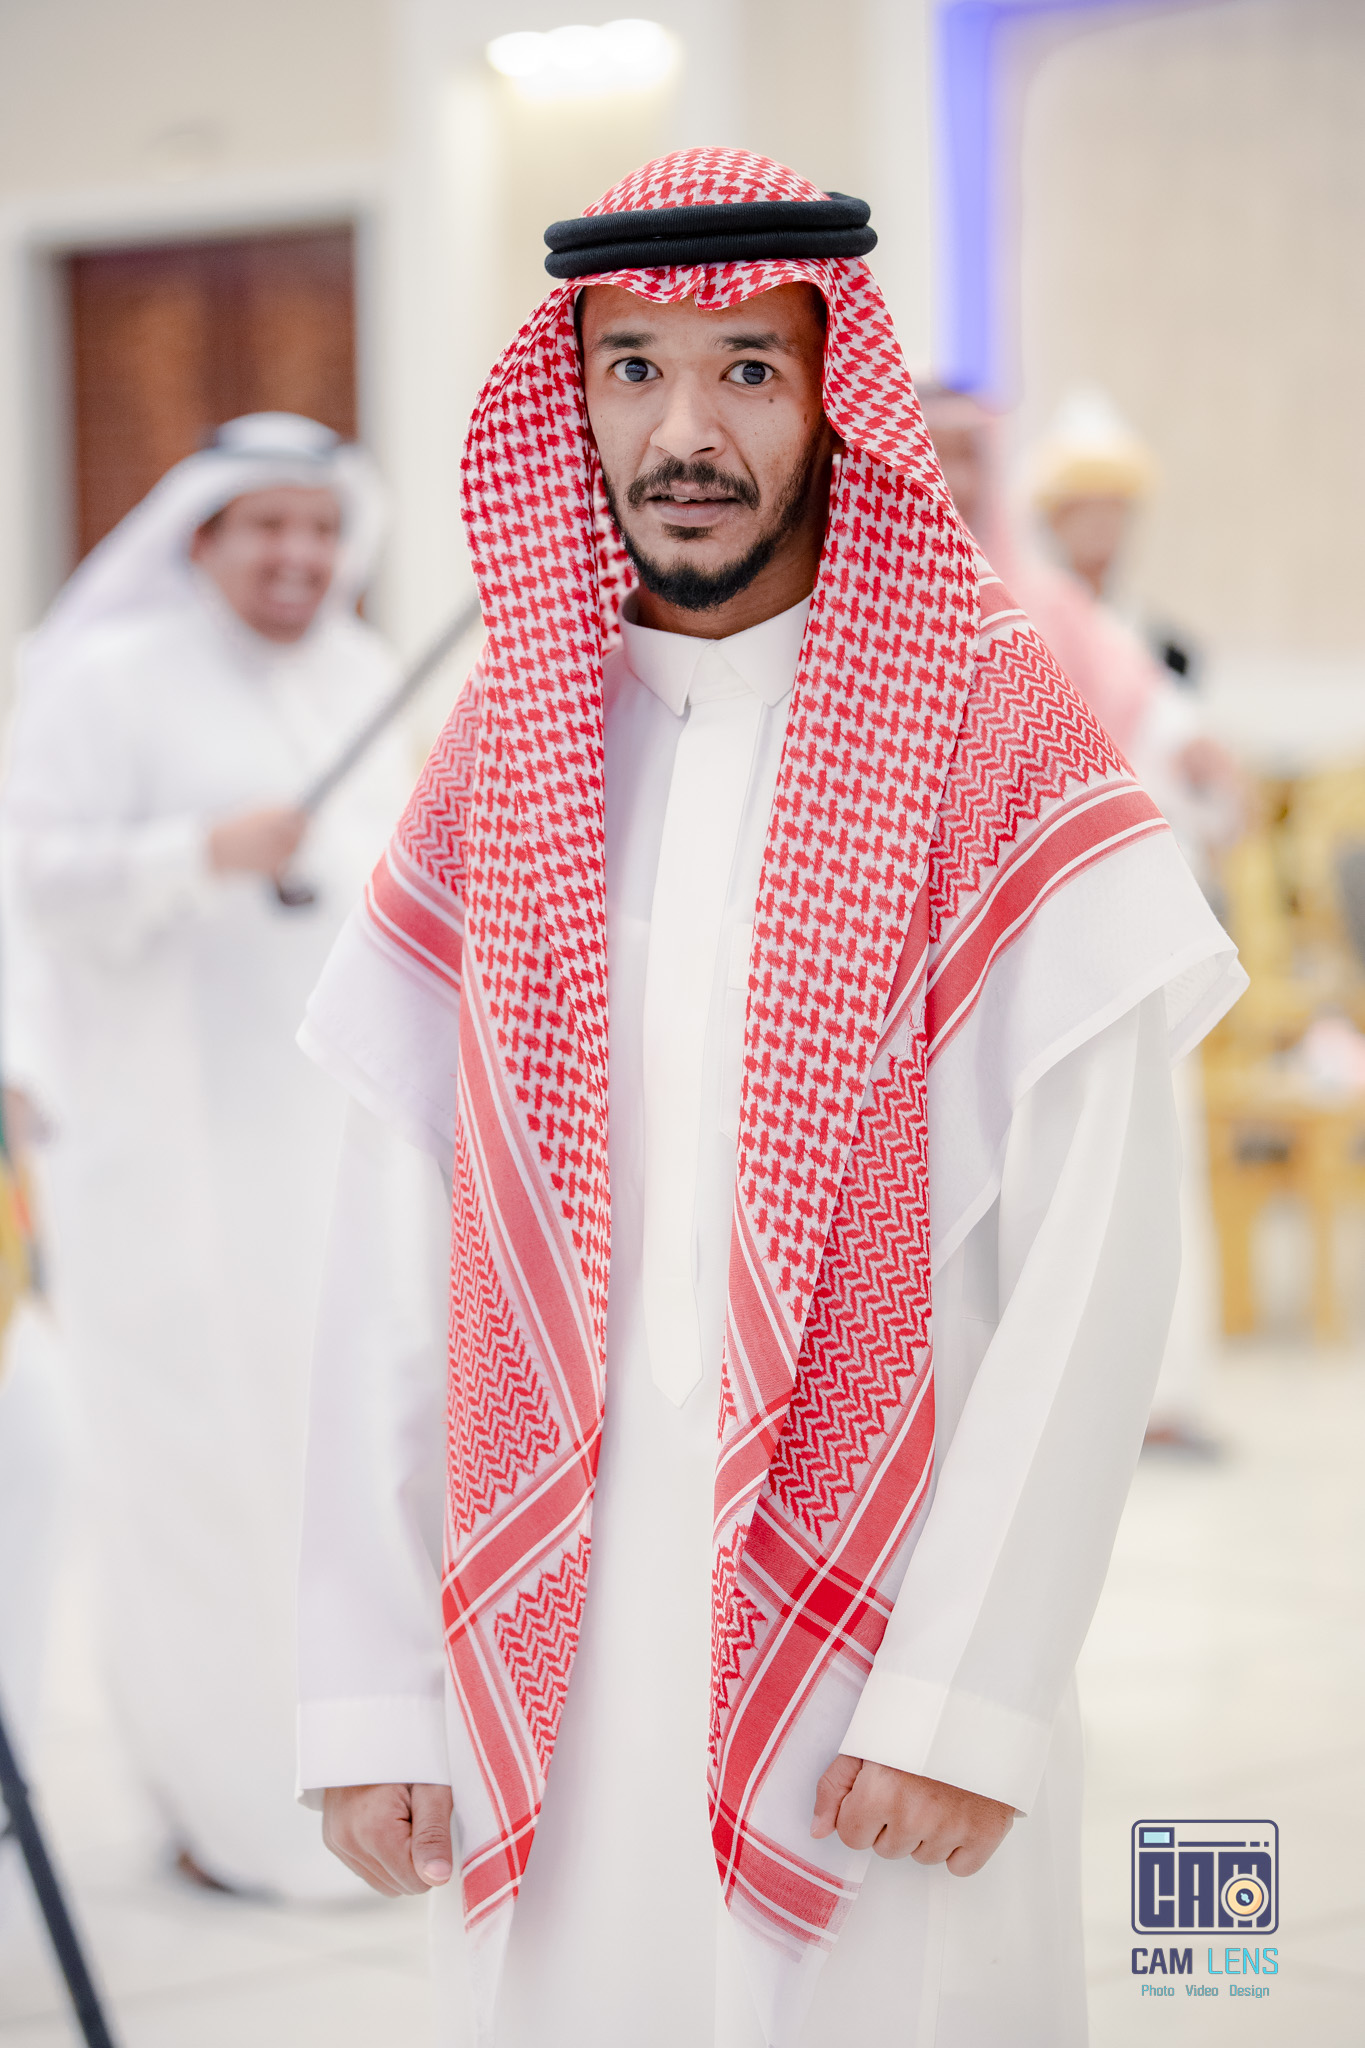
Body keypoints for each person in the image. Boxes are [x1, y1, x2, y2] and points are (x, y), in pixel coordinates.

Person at [296, 154, 1245, 2044]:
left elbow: (1097, 1259)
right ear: (572, 399)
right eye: (633, 369)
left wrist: (967, 1693)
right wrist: (373, 1687)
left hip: (882, 1659)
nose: (684, 433)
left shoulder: (992, 736)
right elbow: (401, 1234)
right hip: (544, 1655)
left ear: (835, 397)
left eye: (747, 367)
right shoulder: (512, 743)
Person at [1, 412, 419, 1899]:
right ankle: (220, 1798)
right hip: (163, 1163)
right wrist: (198, 855)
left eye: (321, 526)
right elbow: (33, 879)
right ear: (203, 536)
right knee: (196, 1475)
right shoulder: (107, 678)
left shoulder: (362, 672)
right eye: (268, 527)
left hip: (332, 1150)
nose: (298, 555)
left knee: (340, 1466)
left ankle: (355, 1776)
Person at [921, 383, 1240, 1452]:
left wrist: (1196, 760)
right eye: (935, 450)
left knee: (1107, 1162)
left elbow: (1160, 729)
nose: (954, 476)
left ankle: (1135, 1398)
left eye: (972, 453)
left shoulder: (1045, 608)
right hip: (916, 961)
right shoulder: (847, 606)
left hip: (1065, 934)